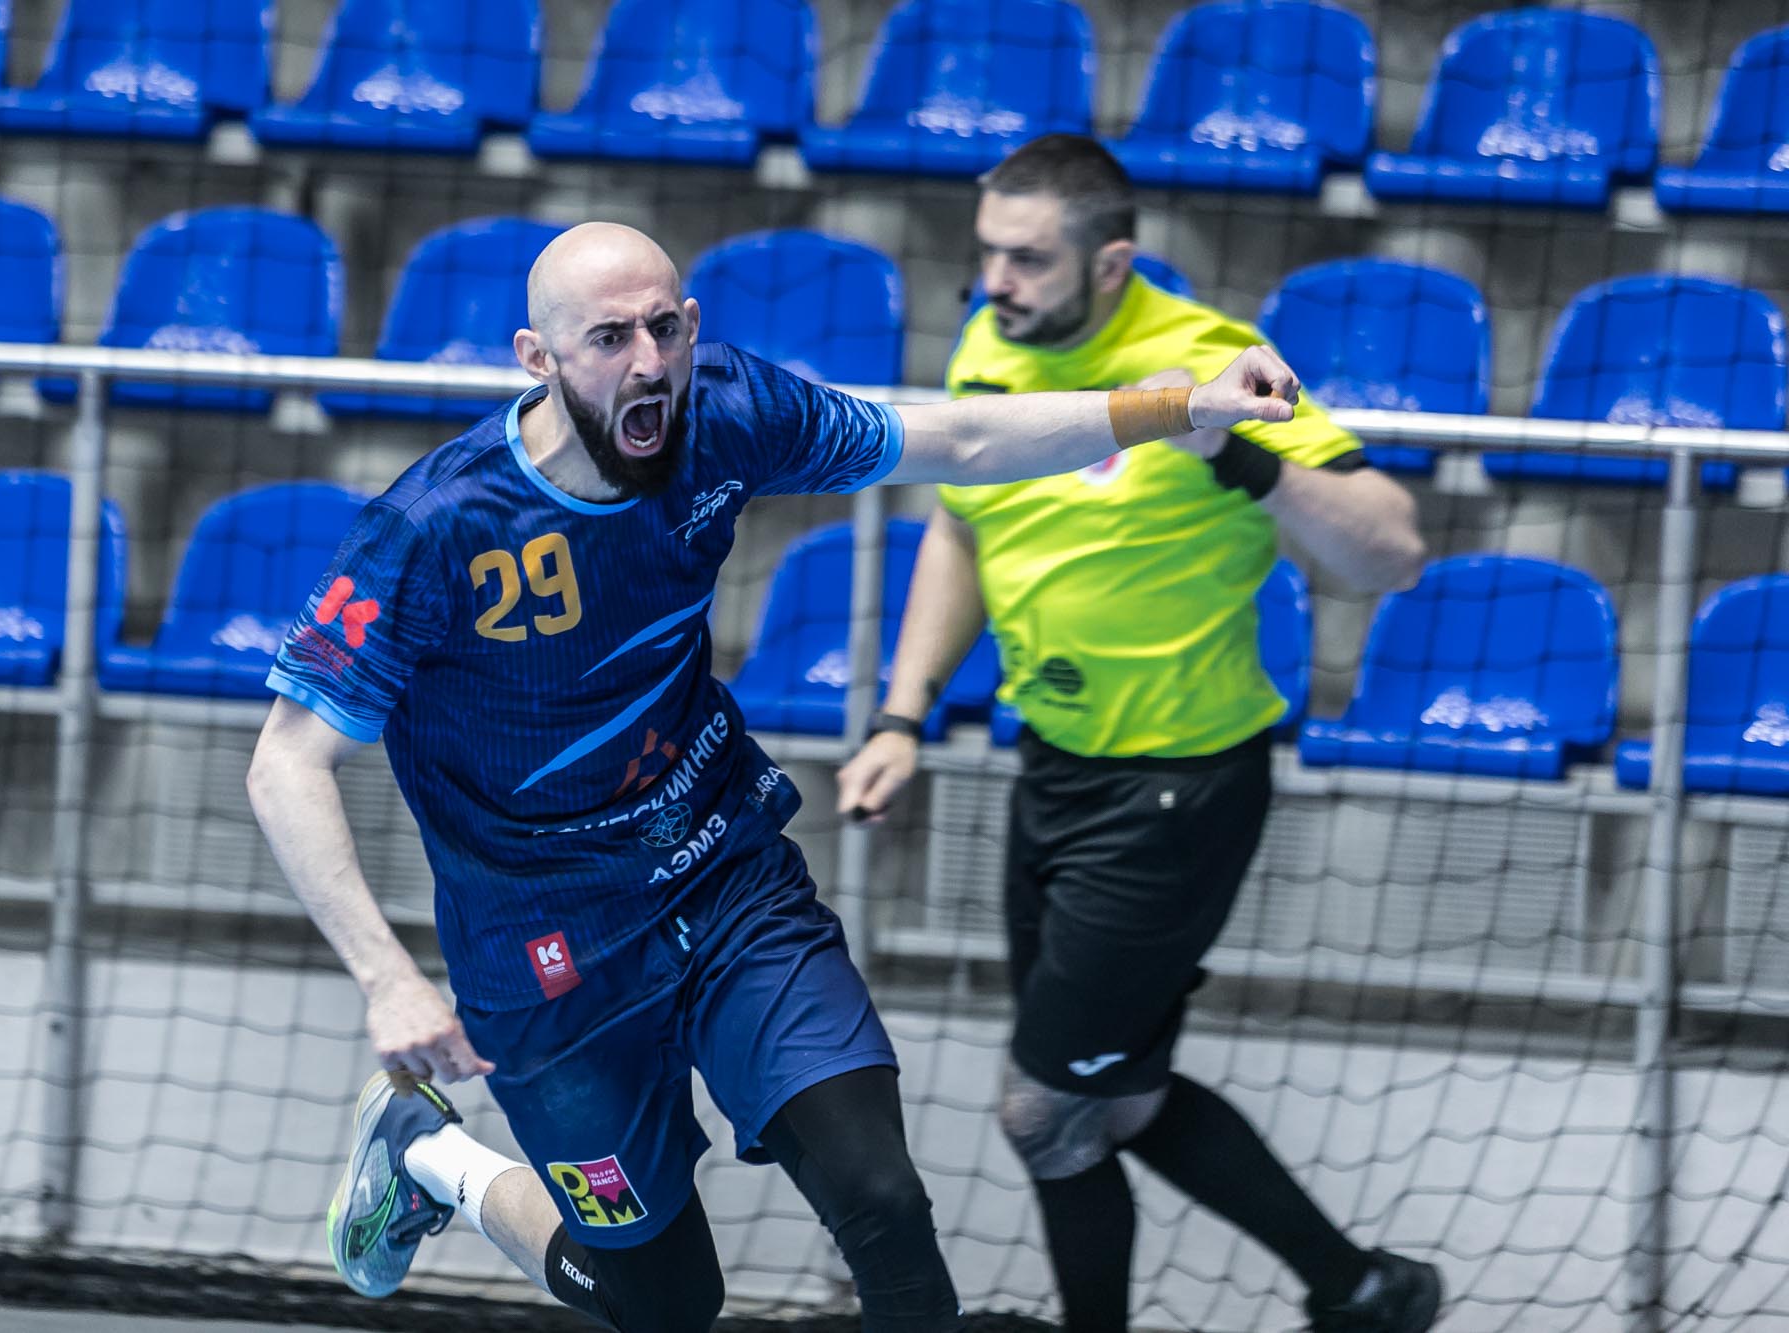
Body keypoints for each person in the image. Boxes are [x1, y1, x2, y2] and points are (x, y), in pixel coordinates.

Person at [244, 219, 1303, 1333]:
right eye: (608, 338)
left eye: (665, 328)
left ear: (693, 326)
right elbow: (285, 763)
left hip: (725, 880)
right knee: (661, 1304)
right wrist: (386, 979)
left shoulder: (728, 413)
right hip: (545, 953)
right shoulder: (433, 528)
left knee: (881, 1199)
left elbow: (962, 440)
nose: (648, 362)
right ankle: (432, 1159)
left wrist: (1182, 407)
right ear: (537, 358)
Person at [834, 135, 1439, 1333]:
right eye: (988, 253)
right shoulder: (991, 341)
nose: (994, 281)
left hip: (1176, 788)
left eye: (1025, 258)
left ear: (1110, 264)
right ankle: (1364, 1289)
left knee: (1039, 1110)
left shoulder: (1207, 359)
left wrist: (1239, 456)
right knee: (1110, 1099)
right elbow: (961, 527)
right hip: (1049, 768)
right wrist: (902, 717)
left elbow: (1391, 549)